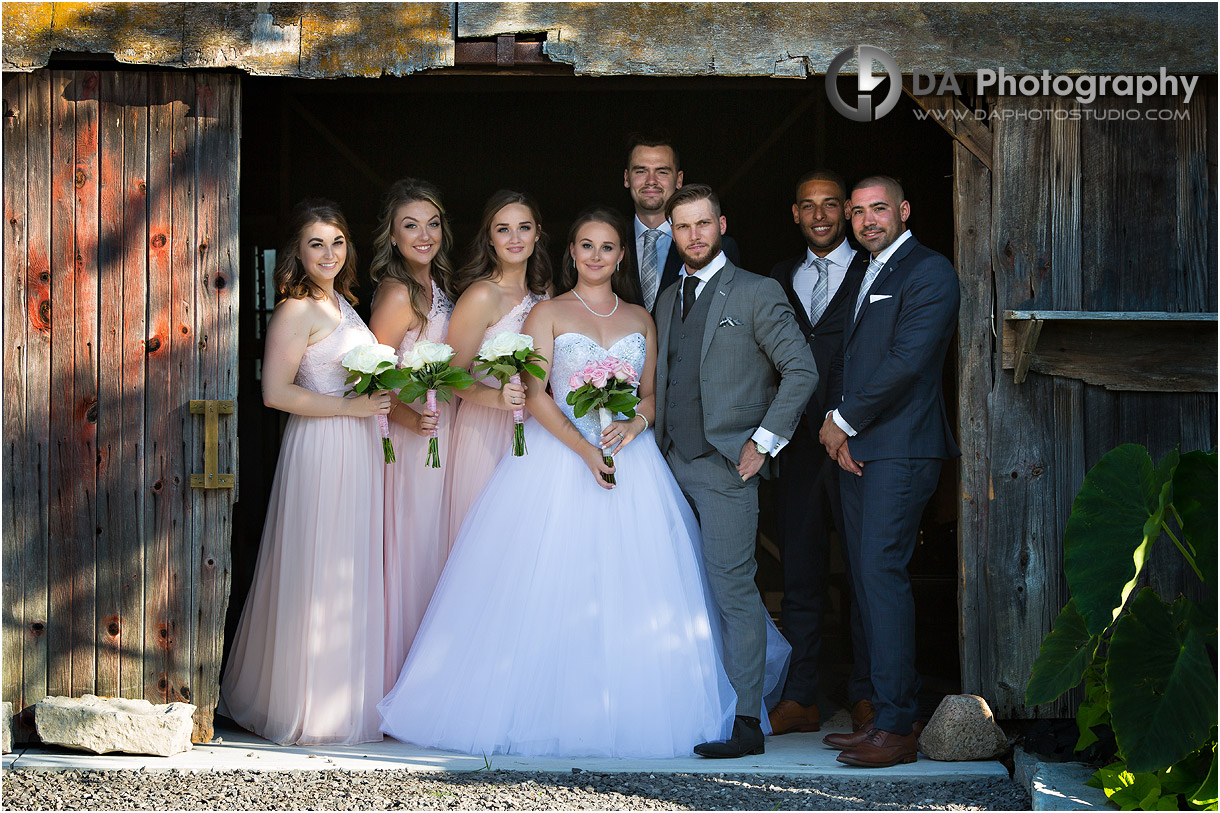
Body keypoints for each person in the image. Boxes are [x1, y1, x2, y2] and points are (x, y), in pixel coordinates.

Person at [378, 207, 742, 757]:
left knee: (634, 581)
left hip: (630, 460)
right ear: (571, 253)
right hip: (559, 459)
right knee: (545, 577)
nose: (596, 256)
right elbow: (536, 392)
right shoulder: (546, 312)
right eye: (586, 246)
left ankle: (632, 702)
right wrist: (583, 450)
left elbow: (650, 394)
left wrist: (635, 423)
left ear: (622, 256)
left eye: (608, 247)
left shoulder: (642, 318)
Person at [653, 184, 817, 758]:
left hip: (726, 468)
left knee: (732, 591)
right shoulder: (667, 297)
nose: (693, 236)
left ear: (721, 224)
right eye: (682, 227)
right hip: (665, 466)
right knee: (665, 587)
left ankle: (747, 722)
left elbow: (801, 371)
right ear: (671, 233)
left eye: (702, 224)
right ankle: (672, 707)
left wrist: (763, 444)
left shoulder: (757, 291)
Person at [221, 199, 390, 745]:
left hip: (360, 446)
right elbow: (275, 392)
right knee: (318, 565)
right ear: (297, 249)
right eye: (316, 243)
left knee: (349, 569)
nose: (329, 253)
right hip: (322, 444)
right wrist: (350, 408)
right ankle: (307, 705)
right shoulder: (296, 309)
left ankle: (343, 697)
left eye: (337, 241)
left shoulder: (345, 303)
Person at [819, 175, 960, 768]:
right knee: (867, 577)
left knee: (882, 574)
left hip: (902, 447)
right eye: (858, 212)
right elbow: (850, 356)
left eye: (879, 209)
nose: (866, 220)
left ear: (904, 210)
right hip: (864, 448)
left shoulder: (928, 271)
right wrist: (847, 432)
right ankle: (880, 710)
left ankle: (900, 725)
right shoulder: (865, 270)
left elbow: (907, 362)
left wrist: (844, 419)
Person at [767, 170, 872, 736]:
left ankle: (867, 693)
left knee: (864, 571)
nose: (822, 215)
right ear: (795, 214)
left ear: (848, 213)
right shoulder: (778, 278)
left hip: (857, 444)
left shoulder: (875, 270)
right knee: (802, 573)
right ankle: (802, 694)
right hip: (797, 450)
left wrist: (852, 420)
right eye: (809, 206)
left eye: (832, 204)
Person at [367, 178, 458, 692]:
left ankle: (427, 677)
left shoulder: (438, 287)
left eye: (432, 223)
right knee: (412, 547)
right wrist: (408, 419)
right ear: (393, 237)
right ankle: (398, 677)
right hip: (408, 439)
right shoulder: (399, 291)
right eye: (410, 226)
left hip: (439, 435)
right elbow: (371, 372)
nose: (424, 235)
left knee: (433, 548)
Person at [443, 190, 550, 546]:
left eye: (523, 227)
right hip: (485, 429)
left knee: (531, 538)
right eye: (503, 229)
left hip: (538, 427)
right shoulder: (481, 295)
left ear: (538, 232)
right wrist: (498, 400)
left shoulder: (546, 293)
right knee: (488, 540)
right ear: (489, 238)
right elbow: (452, 377)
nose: (515, 238)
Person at [622, 134, 740, 313]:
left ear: (679, 179)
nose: (651, 181)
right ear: (626, 178)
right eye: (640, 171)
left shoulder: (720, 246)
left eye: (662, 171)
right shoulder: (608, 245)